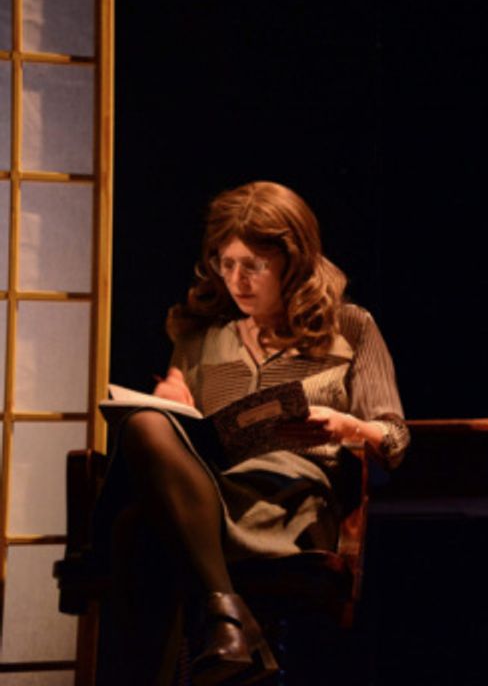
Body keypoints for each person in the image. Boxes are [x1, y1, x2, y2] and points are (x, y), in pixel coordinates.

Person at [96, 181, 409, 685]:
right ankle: (229, 621)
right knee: (146, 429)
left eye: (254, 265)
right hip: (212, 493)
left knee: (139, 530)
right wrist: (177, 410)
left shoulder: (350, 327)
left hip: (291, 498)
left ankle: (229, 629)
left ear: (293, 263)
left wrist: (346, 424)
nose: (236, 281)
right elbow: (192, 440)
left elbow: (393, 437)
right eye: (226, 264)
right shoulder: (201, 338)